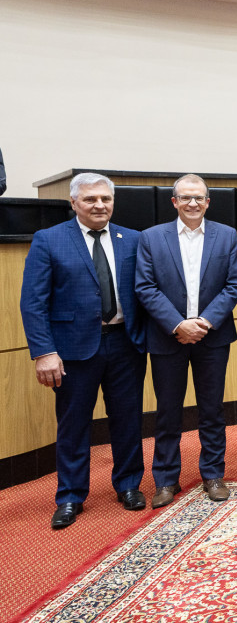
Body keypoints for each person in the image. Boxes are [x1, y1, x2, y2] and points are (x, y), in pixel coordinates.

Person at [19, 173, 147, 529]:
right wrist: (43, 352)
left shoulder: (132, 239)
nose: (99, 205)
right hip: (73, 349)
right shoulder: (49, 240)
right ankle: (71, 496)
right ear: (74, 202)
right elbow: (33, 302)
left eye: (105, 199)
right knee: (74, 425)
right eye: (90, 199)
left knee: (128, 419)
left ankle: (129, 485)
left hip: (126, 343)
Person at [135, 174, 237, 507]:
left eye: (199, 198)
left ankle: (213, 474)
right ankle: (166, 480)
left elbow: (234, 283)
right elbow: (145, 287)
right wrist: (178, 324)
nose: (193, 203)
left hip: (212, 337)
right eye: (186, 198)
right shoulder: (151, 238)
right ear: (174, 202)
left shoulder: (226, 236)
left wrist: (205, 322)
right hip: (168, 338)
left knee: (212, 410)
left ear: (208, 202)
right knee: (168, 411)